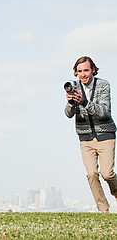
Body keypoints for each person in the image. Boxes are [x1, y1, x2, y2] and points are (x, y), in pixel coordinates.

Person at [65, 56, 117, 213]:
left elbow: (104, 112)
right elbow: (68, 114)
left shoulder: (103, 85)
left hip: (105, 135)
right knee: (92, 174)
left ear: (93, 70)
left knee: (107, 173)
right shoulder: (75, 87)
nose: (83, 74)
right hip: (85, 137)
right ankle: (104, 210)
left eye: (86, 70)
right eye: (79, 71)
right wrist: (71, 102)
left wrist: (84, 102)